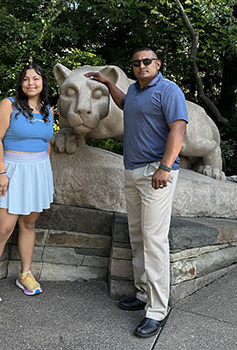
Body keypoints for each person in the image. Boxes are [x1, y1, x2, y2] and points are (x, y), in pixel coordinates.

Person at [85, 46, 188, 338]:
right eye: (137, 63)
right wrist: (108, 84)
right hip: (133, 172)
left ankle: (157, 309)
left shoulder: (168, 90)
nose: (142, 66)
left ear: (157, 63)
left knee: (154, 239)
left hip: (158, 172)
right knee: (138, 235)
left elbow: (178, 130)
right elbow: (125, 104)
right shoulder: (137, 93)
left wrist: (165, 167)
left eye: (147, 61)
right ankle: (143, 293)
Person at [0, 62, 54, 306]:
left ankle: (25, 274)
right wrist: (1, 173)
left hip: (38, 172)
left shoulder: (48, 109)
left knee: (29, 224)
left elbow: (47, 142)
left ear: (43, 83)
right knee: (2, 230)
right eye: (26, 79)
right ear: (21, 83)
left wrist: (47, 174)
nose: (31, 83)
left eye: (36, 79)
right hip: (12, 171)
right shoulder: (8, 105)